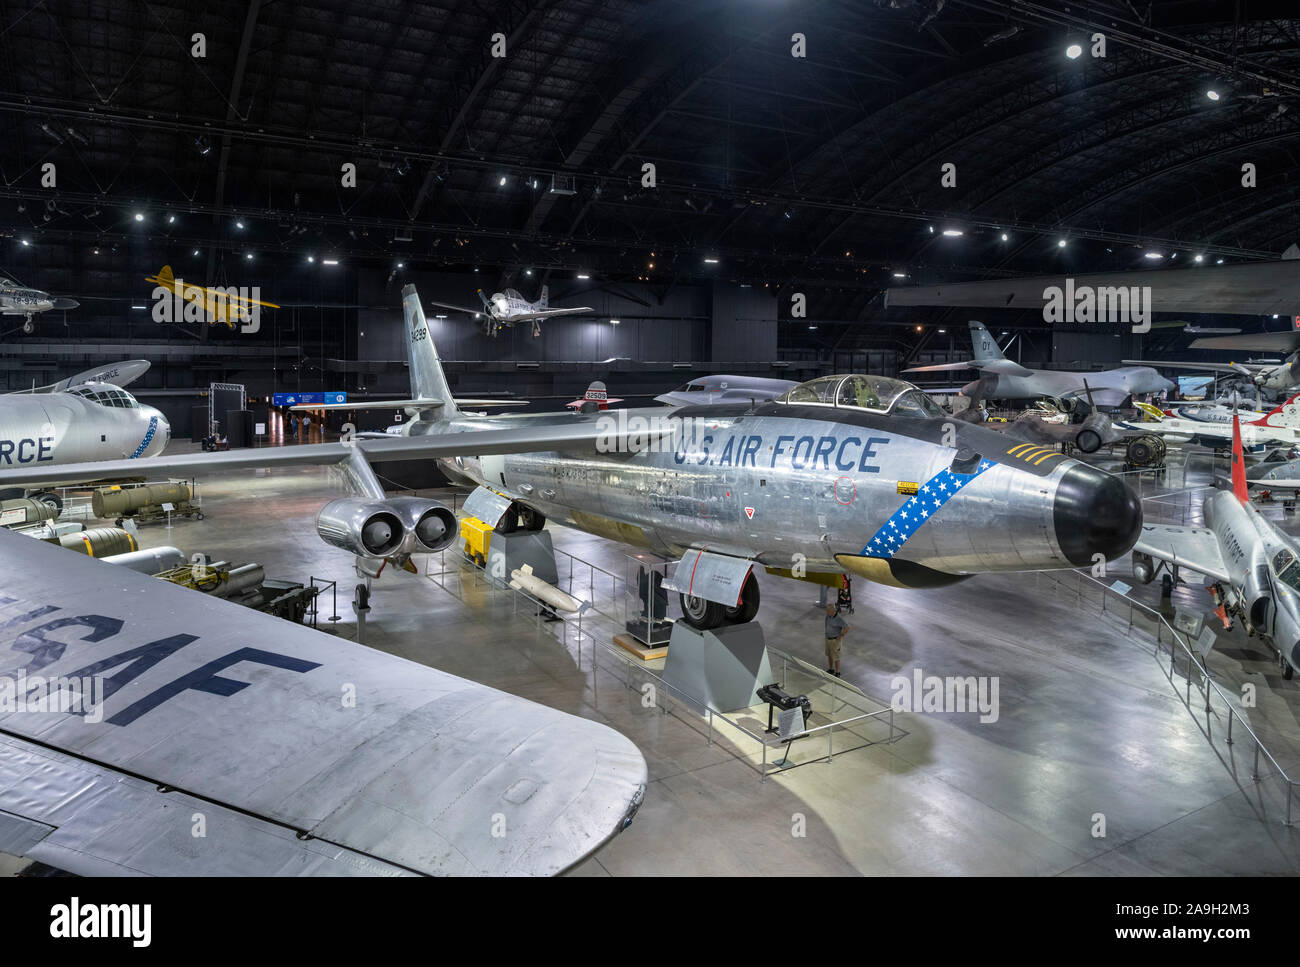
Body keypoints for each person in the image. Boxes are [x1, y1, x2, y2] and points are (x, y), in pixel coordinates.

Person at [824, 604, 847, 677]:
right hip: (828, 639)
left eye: (828, 611)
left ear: (833, 611)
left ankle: (837, 672)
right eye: (827, 610)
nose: (826, 612)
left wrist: (841, 636)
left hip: (835, 640)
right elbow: (826, 624)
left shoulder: (838, 618)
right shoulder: (828, 616)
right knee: (829, 655)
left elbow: (847, 627)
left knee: (836, 657)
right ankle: (831, 669)